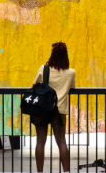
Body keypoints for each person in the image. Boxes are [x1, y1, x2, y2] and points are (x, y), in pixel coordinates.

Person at [32, 42, 75, 172]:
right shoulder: (71, 73)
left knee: (40, 142)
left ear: (52, 55)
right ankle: (66, 171)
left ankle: (40, 172)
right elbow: (72, 88)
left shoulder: (43, 69)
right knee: (62, 142)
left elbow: (35, 84)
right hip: (59, 111)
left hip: (42, 110)